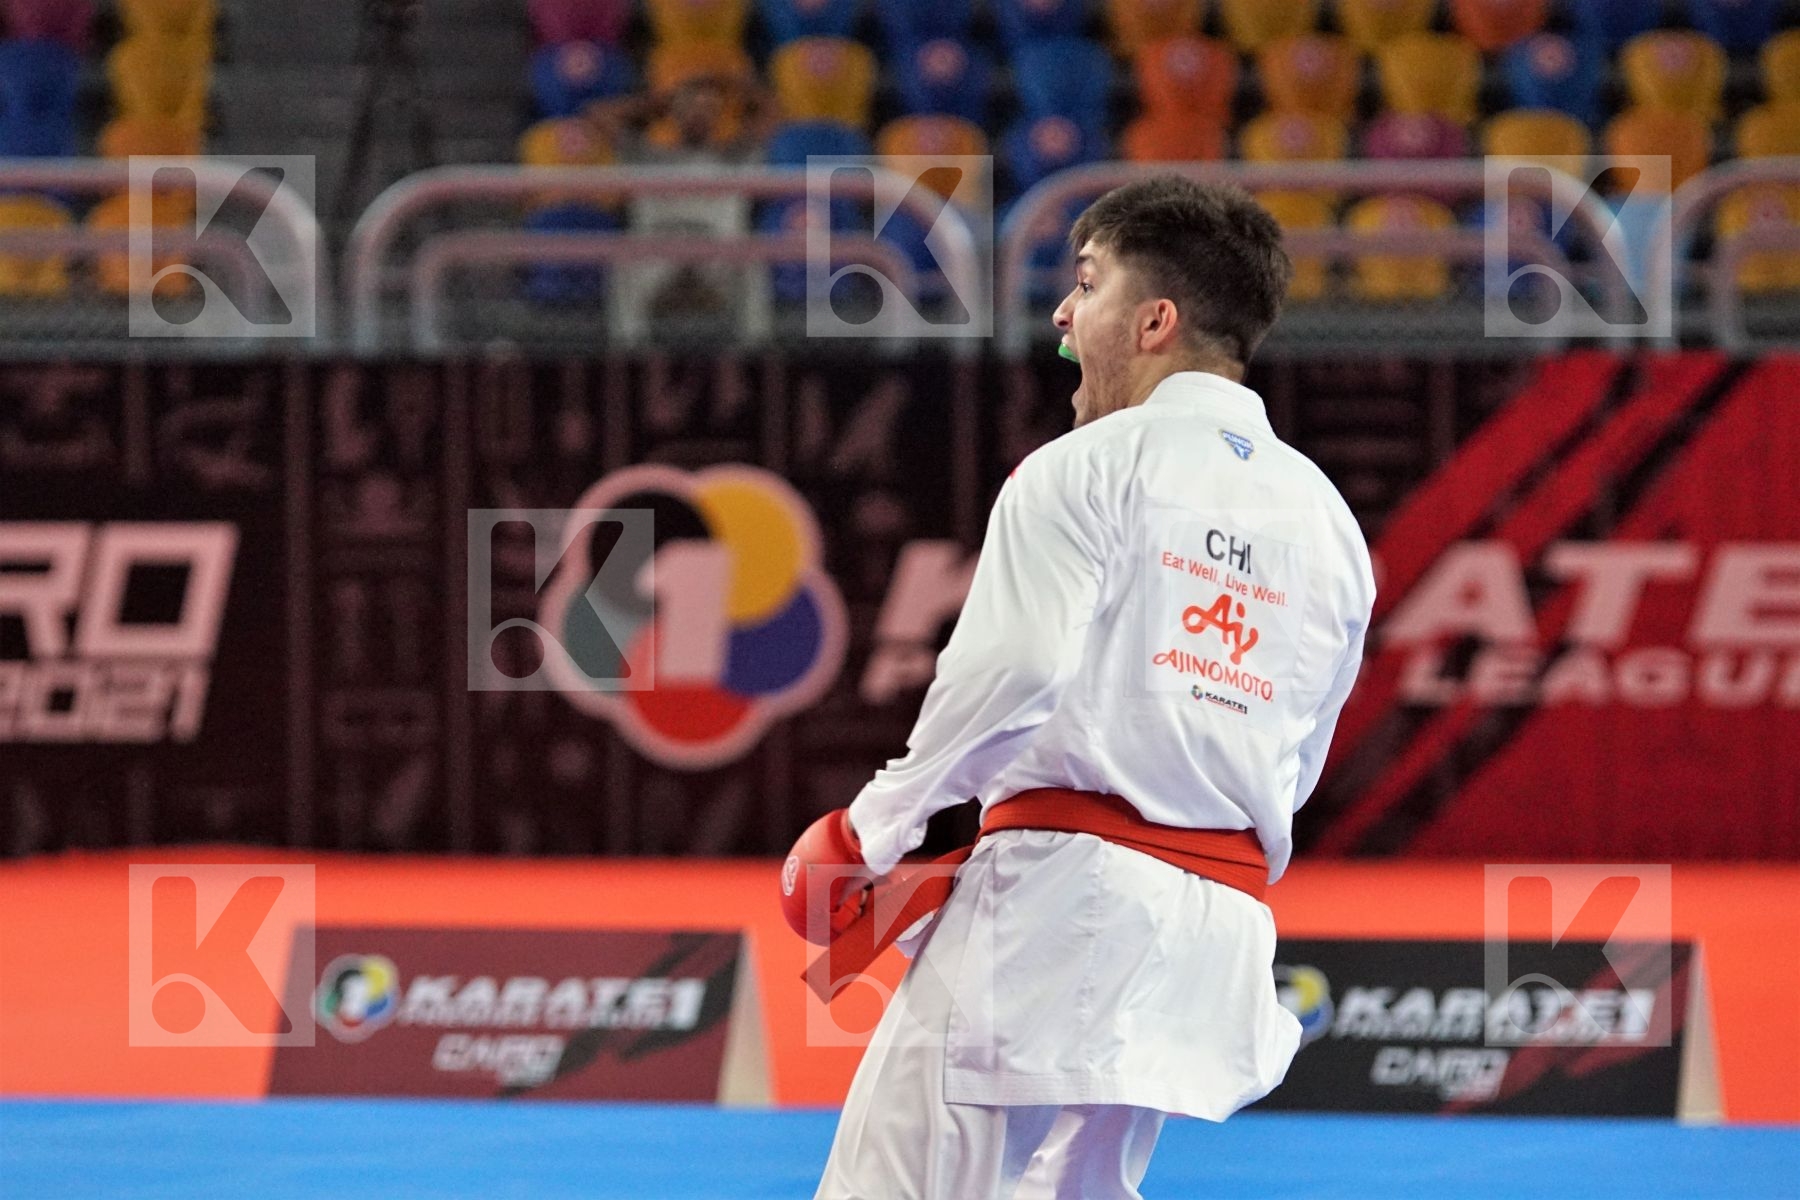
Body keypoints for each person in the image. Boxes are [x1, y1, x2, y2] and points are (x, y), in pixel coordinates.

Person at [782, 175, 1377, 1199]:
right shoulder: (1330, 522)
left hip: (1062, 897)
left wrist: (870, 831)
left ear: (1155, 321)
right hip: (1216, 921)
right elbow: (1302, 752)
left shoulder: (1086, 466)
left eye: (1087, 284)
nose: (1063, 312)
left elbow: (1012, 672)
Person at [580, 71, 782, 341]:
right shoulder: (645, 155)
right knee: (623, 256)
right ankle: (630, 355)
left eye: (708, 108)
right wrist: (656, 102)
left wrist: (734, 85)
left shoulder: (736, 155)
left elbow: (776, 115)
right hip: (659, 253)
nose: (699, 114)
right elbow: (596, 115)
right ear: (674, 112)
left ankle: (754, 355)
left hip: (716, 256)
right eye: (690, 107)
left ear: (719, 114)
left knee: (752, 257)